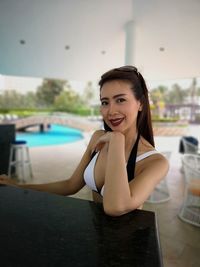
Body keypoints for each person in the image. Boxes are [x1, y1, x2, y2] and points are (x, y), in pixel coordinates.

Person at [0, 65, 169, 216]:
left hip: (125, 245)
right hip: (95, 234)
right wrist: (21, 188)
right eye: (105, 102)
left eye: (120, 100)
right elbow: (70, 185)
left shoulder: (155, 163)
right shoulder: (98, 138)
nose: (111, 111)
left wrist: (117, 140)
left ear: (140, 103)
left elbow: (116, 207)